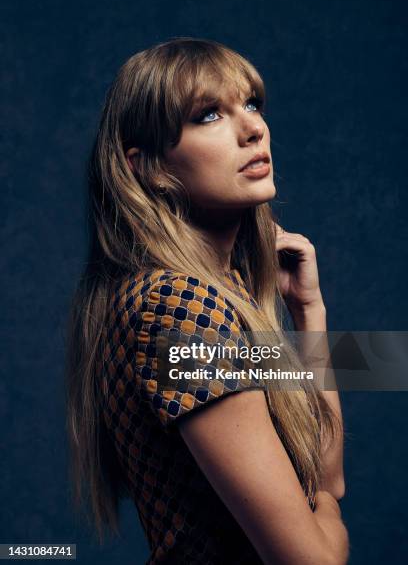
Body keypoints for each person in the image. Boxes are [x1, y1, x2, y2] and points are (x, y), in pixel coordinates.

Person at [66, 37, 349, 564]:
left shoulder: (221, 296)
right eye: (209, 115)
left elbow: (327, 473)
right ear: (147, 167)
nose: (253, 128)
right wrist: (326, 512)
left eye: (252, 104)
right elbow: (314, 556)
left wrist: (309, 313)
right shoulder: (178, 306)